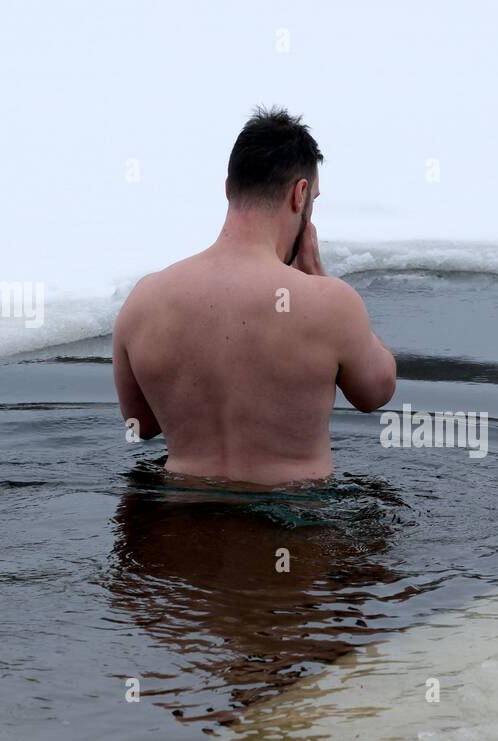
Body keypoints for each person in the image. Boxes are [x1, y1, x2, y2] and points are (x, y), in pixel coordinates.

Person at [112, 107, 397, 484]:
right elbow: (375, 392)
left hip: (179, 525)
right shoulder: (329, 304)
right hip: (297, 527)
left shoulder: (144, 301)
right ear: (301, 195)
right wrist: (317, 278)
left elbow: (142, 425)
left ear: (228, 188)